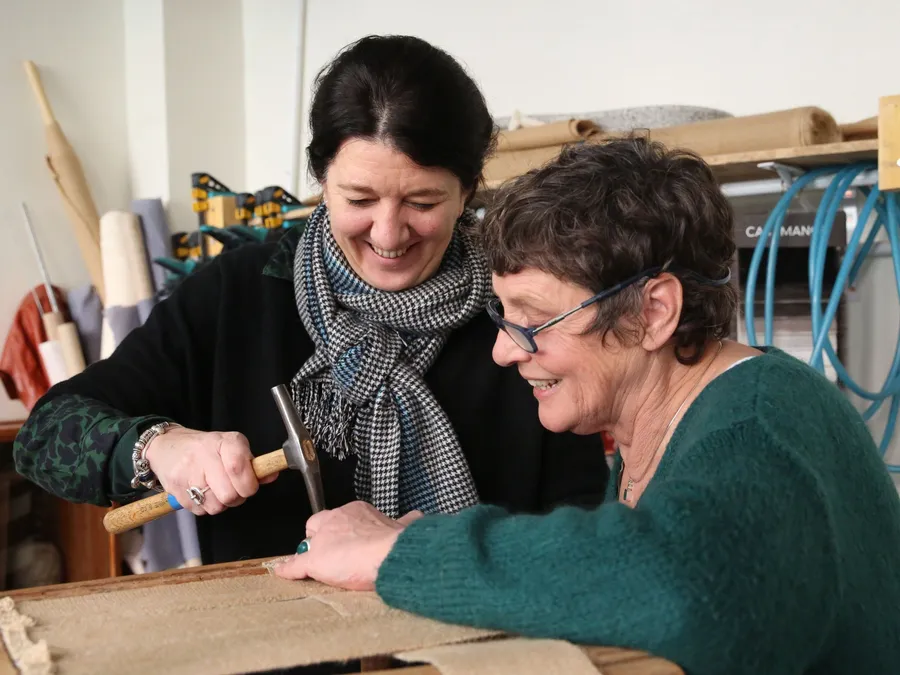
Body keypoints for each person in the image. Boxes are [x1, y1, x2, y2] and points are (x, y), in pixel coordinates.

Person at [273, 138, 900, 674]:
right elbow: (625, 557)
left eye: (537, 319)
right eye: (503, 315)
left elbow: (683, 587)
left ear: (654, 312)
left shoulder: (760, 425)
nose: (502, 352)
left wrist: (400, 555)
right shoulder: (664, 426)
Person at [12, 35, 608, 566]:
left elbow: (585, 523)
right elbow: (43, 437)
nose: (388, 234)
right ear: (322, 181)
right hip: (277, 649)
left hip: (485, 643)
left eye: (423, 203)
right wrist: (156, 447)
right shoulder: (240, 294)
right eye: (360, 199)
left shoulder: (525, 308)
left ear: (468, 190)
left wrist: (440, 555)